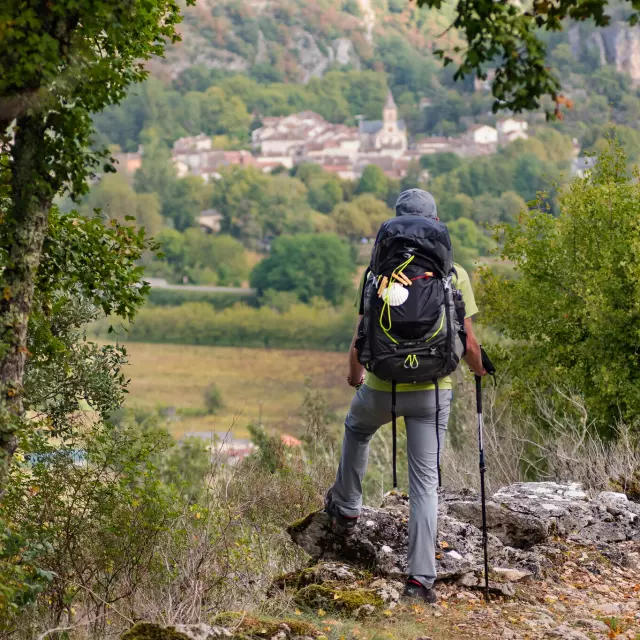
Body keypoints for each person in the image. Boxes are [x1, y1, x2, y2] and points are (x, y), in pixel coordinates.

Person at [325, 189, 486, 604]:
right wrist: (482, 369)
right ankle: (419, 581)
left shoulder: (377, 274)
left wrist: (355, 376)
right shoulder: (454, 274)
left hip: (382, 388)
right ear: (435, 223)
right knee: (425, 485)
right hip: (433, 392)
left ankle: (346, 505)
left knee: (357, 428)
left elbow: (362, 337)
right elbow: (467, 343)